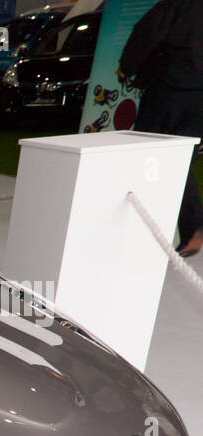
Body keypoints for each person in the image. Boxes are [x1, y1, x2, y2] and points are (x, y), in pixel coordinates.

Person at [120, 0, 203, 255]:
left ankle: (142, 224)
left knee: (148, 155)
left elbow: (146, 34)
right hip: (199, 98)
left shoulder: (175, 6)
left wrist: (126, 68)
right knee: (181, 161)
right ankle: (192, 229)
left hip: (169, 93)